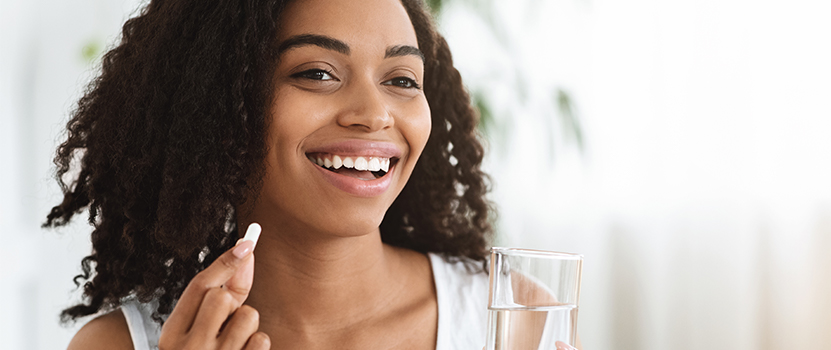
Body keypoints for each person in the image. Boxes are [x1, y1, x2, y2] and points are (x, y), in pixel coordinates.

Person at [47, 0, 580, 349]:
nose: (374, 114)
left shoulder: (519, 321)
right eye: (317, 73)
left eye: (401, 78)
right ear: (216, 106)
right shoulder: (118, 345)